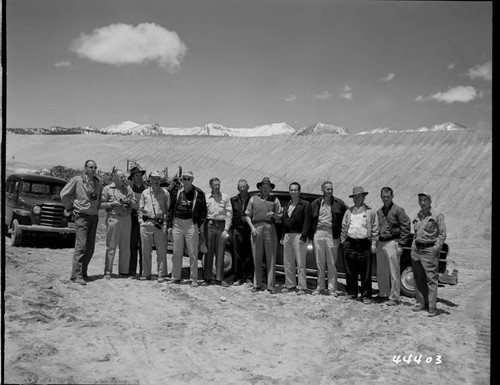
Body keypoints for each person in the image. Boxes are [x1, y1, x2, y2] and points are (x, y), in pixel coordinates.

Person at [60, 160, 103, 285]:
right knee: (81, 245)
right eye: (91, 167)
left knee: (90, 248)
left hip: (93, 217)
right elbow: (64, 194)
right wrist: (70, 207)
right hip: (81, 216)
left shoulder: (98, 182)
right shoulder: (77, 180)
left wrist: (98, 208)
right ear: (85, 168)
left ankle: (83, 273)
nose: (93, 169)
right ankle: (76, 275)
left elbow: (99, 198)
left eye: (95, 167)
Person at [167, 170, 207, 286]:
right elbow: (170, 209)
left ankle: (193, 278)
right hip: (177, 224)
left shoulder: (199, 193)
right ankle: (176, 277)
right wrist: (169, 225)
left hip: (191, 224)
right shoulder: (177, 192)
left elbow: (204, 210)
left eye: (188, 179)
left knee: (192, 252)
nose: (186, 181)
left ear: (192, 180)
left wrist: (198, 224)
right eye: (184, 178)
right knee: (176, 252)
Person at [341, 186, 379, 304]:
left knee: (366, 271)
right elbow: (344, 226)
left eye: (359, 196)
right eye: (355, 197)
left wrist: (373, 244)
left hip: (364, 244)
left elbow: (375, 228)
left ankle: (366, 295)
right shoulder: (349, 211)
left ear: (363, 197)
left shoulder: (370, 212)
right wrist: (343, 241)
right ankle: (352, 292)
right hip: (350, 243)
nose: (357, 199)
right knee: (350, 270)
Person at [309, 181, 348, 296]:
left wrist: (342, 235)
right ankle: (320, 287)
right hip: (319, 233)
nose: (330, 191)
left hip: (332, 234)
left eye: (331, 189)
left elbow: (345, 220)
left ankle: (332, 288)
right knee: (319, 262)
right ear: (322, 190)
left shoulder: (339, 203)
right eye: (327, 189)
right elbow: (311, 219)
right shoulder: (315, 203)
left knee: (332, 263)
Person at [411, 193, 446, 317]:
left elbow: (442, 234)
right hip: (417, 250)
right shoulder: (418, 215)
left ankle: (432, 307)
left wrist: (436, 248)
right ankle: (421, 302)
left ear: (430, 201)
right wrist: (413, 246)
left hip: (429, 250)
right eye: (420, 200)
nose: (422, 202)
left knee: (431, 279)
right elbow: (415, 233)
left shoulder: (437, 215)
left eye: (425, 200)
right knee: (418, 278)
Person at [245, 177, 282, 294]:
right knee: (257, 257)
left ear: (270, 188)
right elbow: (247, 215)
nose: (266, 189)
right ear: (260, 188)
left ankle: (271, 286)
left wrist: (274, 215)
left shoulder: (275, 200)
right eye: (264, 187)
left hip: (270, 228)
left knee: (271, 258)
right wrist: (252, 228)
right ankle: (257, 284)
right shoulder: (253, 199)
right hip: (256, 228)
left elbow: (280, 217)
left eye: (268, 187)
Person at [375, 187, 411, 305]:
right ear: (381, 197)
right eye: (384, 196)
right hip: (381, 243)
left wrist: (401, 244)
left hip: (392, 243)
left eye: (388, 196)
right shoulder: (379, 212)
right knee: (381, 271)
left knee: (394, 272)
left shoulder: (398, 210)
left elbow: (406, 226)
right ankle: (383, 293)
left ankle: (394, 297)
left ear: (392, 196)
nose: (386, 199)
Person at [101, 170, 136, 279]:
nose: (123, 179)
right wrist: (112, 203)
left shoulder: (128, 189)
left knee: (125, 246)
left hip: (126, 218)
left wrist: (129, 202)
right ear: (115, 177)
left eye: (124, 177)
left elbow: (135, 204)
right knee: (111, 246)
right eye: (121, 177)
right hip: (114, 218)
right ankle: (108, 271)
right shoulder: (107, 189)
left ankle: (124, 270)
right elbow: (101, 204)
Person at [138, 171, 169, 282]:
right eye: (154, 179)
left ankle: (161, 274)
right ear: (150, 180)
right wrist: (141, 221)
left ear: (160, 180)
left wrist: (165, 223)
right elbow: (140, 208)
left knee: (161, 250)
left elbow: (168, 209)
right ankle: (146, 273)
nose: (156, 181)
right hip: (146, 224)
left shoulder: (165, 193)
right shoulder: (145, 193)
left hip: (159, 224)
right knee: (146, 250)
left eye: (158, 179)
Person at [202, 177, 233, 287]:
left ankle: (219, 279)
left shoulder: (225, 197)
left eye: (219, 184)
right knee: (209, 252)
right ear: (211, 186)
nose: (217, 186)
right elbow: (203, 213)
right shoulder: (206, 198)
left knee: (221, 252)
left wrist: (226, 229)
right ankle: (207, 278)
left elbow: (229, 213)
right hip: (209, 225)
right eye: (215, 185)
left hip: (221, 226)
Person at [281, 182, 311, 295]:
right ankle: (290, 285)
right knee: (288, 262)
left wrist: (304, 236)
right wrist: (283, 235)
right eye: (291, 190)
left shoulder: (305, 204)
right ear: (289, 191)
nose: (293, 192)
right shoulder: (287, 205)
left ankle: (302, 287)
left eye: (295, 190)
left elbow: (307, 221)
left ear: (299, 191)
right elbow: (285, 222)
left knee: (300, 263)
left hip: (299, 236)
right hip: (288, 236)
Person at [230, 179, 254, 286]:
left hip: (249, 229)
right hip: (237, 229)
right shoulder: (233, 200)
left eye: (244, 186)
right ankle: (238, 278)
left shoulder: (253, 199)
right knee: (237, 255)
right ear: (237, 188)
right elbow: (229, 214)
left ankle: (248, 277)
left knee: (249, 254)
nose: (242, 189)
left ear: (248, 187)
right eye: (240, 187)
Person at [128, 166, 147, 277]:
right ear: (133, 178)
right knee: (132, 245)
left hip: (144, 219)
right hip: (132, 219)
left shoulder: (147, 189)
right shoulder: (129, 189)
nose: (139, 177)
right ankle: (131, 270)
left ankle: (143, 270)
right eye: (136, 175)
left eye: (140, 175)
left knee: (144, 246)